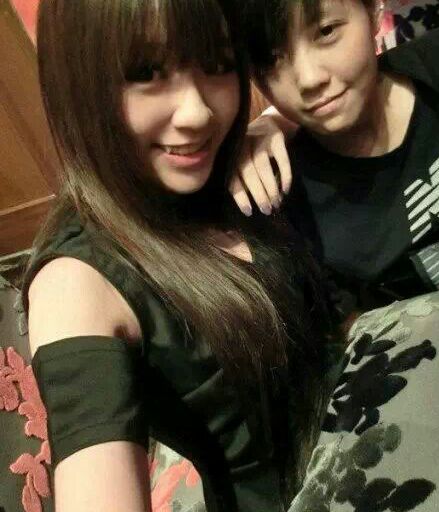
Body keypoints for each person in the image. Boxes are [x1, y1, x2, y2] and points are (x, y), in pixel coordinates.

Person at [22, 1, 343, 511]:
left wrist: (274, 123)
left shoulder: (214, 173)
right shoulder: (74, 281)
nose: (198, 113)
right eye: (146, 72)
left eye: (217, 64)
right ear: (78, 83)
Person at [232, 0, 439, 315]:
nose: (309, 79)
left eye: (326, 31)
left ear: (373, 13)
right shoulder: (291, 191)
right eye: (271, 59)